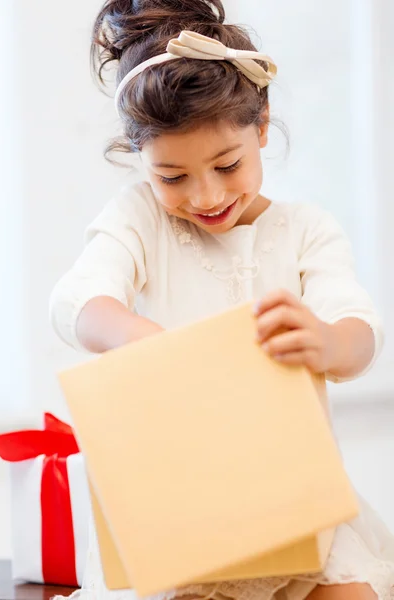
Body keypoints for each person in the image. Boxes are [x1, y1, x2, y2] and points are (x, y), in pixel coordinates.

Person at [50, 1, 394, 598]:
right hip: (185, 514)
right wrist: (143, 342)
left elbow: (359, 334)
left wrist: (329, 340)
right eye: (172, 177)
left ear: (262, 127)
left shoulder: (305, 229)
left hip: (296, 504)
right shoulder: (140, 220)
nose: (206, 195)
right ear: (142, 162)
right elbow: (75, 301)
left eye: (228, 164)